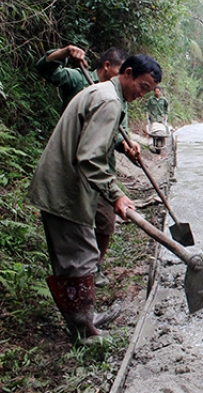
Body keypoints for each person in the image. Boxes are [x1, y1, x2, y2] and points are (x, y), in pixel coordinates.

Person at [29, 55, 162, 344]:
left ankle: (84, 319)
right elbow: (89, 158)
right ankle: (83, 331)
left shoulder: (107, 95)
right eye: (142, 86)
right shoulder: (110, 102)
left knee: (73, 259)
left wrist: (126, 148)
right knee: (81, 259)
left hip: (66, 185)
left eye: (148, 91)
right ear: (127, 73)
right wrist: (117, 194)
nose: (142, 94)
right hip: (65, 189)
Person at [36, 45, 131, 288]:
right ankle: (82, 278)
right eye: (119, 71)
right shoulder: (80, 80)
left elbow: (116, 134)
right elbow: (45, 68)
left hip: (102, 168)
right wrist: (64, 53)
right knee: (78, 228)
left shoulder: (119, 96)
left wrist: (127, 146)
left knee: (106, 222)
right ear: (107, 67)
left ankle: (92, 268)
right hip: (76, 164)